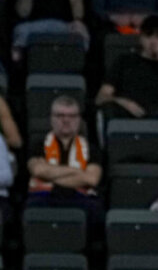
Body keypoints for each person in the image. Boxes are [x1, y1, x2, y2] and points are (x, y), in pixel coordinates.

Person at [25, 95, 103, 226]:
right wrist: (77, 172)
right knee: (32, 207)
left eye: (72, 116)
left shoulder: (91, 148)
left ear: (79, 119)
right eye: (60, 115)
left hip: (80, 198)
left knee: (95, 209)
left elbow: (91, 179)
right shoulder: (38, 145)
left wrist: (50, 175)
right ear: (51, 118)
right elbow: (38, 170)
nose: (66, 120)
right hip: (45, 197)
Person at [95, 16, 158, 130]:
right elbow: (101, 97)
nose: (153, 41)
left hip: (155, 115)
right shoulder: (124, 61)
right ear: (141, 38)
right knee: (108, 109)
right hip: (126, 111)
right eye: (148, 36)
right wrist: (123, 102)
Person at [8, 0, 87, 60]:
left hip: (63, 25)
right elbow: (23, 12)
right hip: (31, 26)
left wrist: (78, 20)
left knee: (82, 33)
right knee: (20, 33)